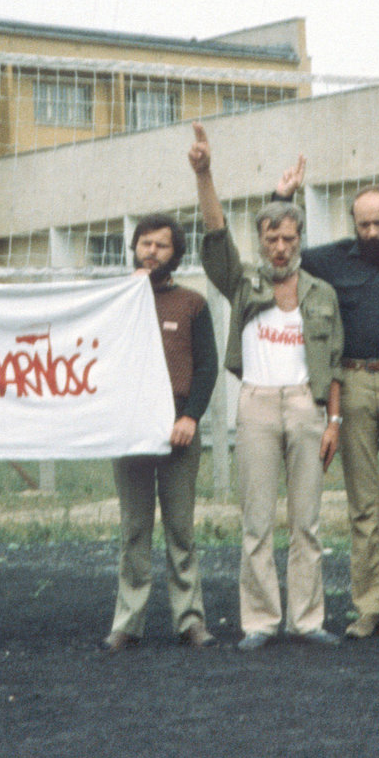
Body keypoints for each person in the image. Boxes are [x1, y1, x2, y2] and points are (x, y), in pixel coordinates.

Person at [270, 159, 379, 639]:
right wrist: (283, 198)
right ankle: (369, 607)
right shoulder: (330, 260)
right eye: (363, 223)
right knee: (362, 506)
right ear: (353, 223)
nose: (372, 231)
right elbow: (281, 248)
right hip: (349, 385)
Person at [191, 124, 343, 649]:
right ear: (261, 242)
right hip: (255, 403)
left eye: (289, 239)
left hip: (307, 407)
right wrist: (204, 173)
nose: (280, 247)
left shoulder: (321, 291)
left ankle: (308, 619)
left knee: (308, 520)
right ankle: (259, 620)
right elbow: (215, 235)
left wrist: (334, 422)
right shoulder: (243, 280)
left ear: (301, 241)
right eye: (271, 239)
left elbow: (335, 363)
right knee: (256, 522)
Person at [103, 213, 220, 651]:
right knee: (134, 526)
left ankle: (190, 619)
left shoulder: (192, 303)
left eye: (161, 246)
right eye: (144, 244)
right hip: (130, 425)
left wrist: (190, 416)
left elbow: (206, 366)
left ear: (176, 254)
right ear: (134, 248)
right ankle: (127, 621)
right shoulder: (114, 299)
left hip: (177, 424)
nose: (151, 252)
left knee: (180, 527)